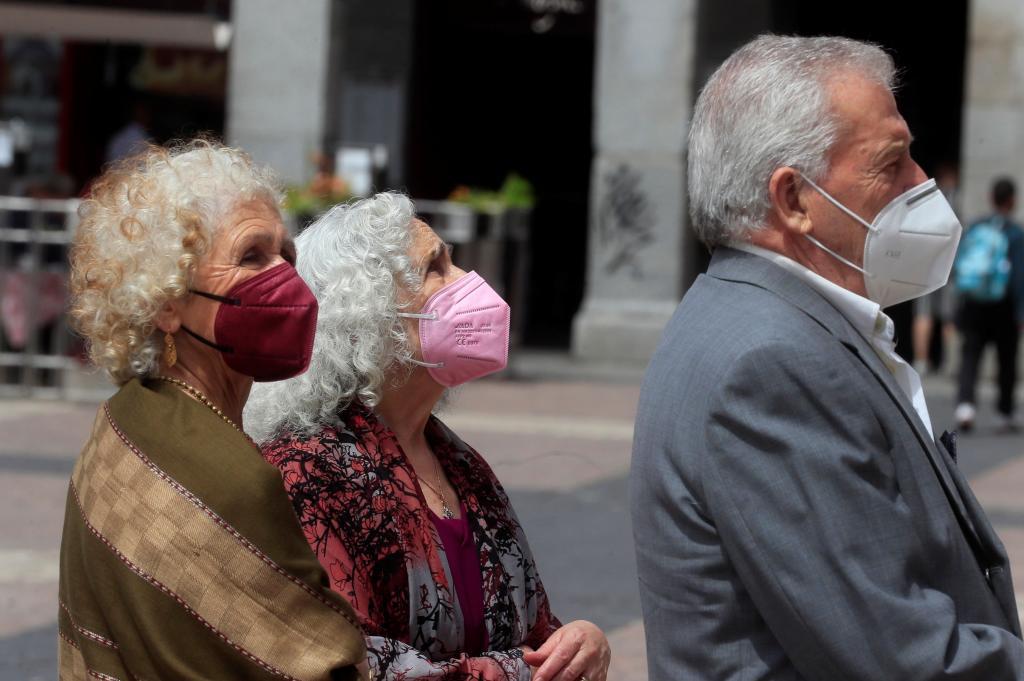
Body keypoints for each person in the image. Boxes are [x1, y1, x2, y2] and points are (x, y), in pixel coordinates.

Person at [631, 35, 1023, 680]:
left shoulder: (761, 320)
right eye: (891, 162)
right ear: (793, 200)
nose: (921, 184)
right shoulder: (771, 361)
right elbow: (898, 657)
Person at [245, 193, 610, 681]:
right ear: (368, 316)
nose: (467, 283)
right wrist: (519, 672)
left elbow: (535, 633)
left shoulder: (459, 461)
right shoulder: (306, 471)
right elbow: (356, 661)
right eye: (434, 269)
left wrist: (580, 643)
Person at [60, 140, 366, 680]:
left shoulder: (123, 419)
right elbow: (327, 663)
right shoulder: (228, 476)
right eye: (252, 256)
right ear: (167, 303)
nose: (284, 278)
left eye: (285, 255)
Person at [953, 177, 1024, 432]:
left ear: (991, 198)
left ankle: (965, 406)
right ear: (1012, 200)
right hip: (1003, 308)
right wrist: (1020, 313)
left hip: (973, 304)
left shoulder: (975, 227)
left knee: (970, 355)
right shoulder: (1014, 233)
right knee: (1006, 359)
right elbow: (1018, 278)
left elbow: (960, 265)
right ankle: (1003, 413)